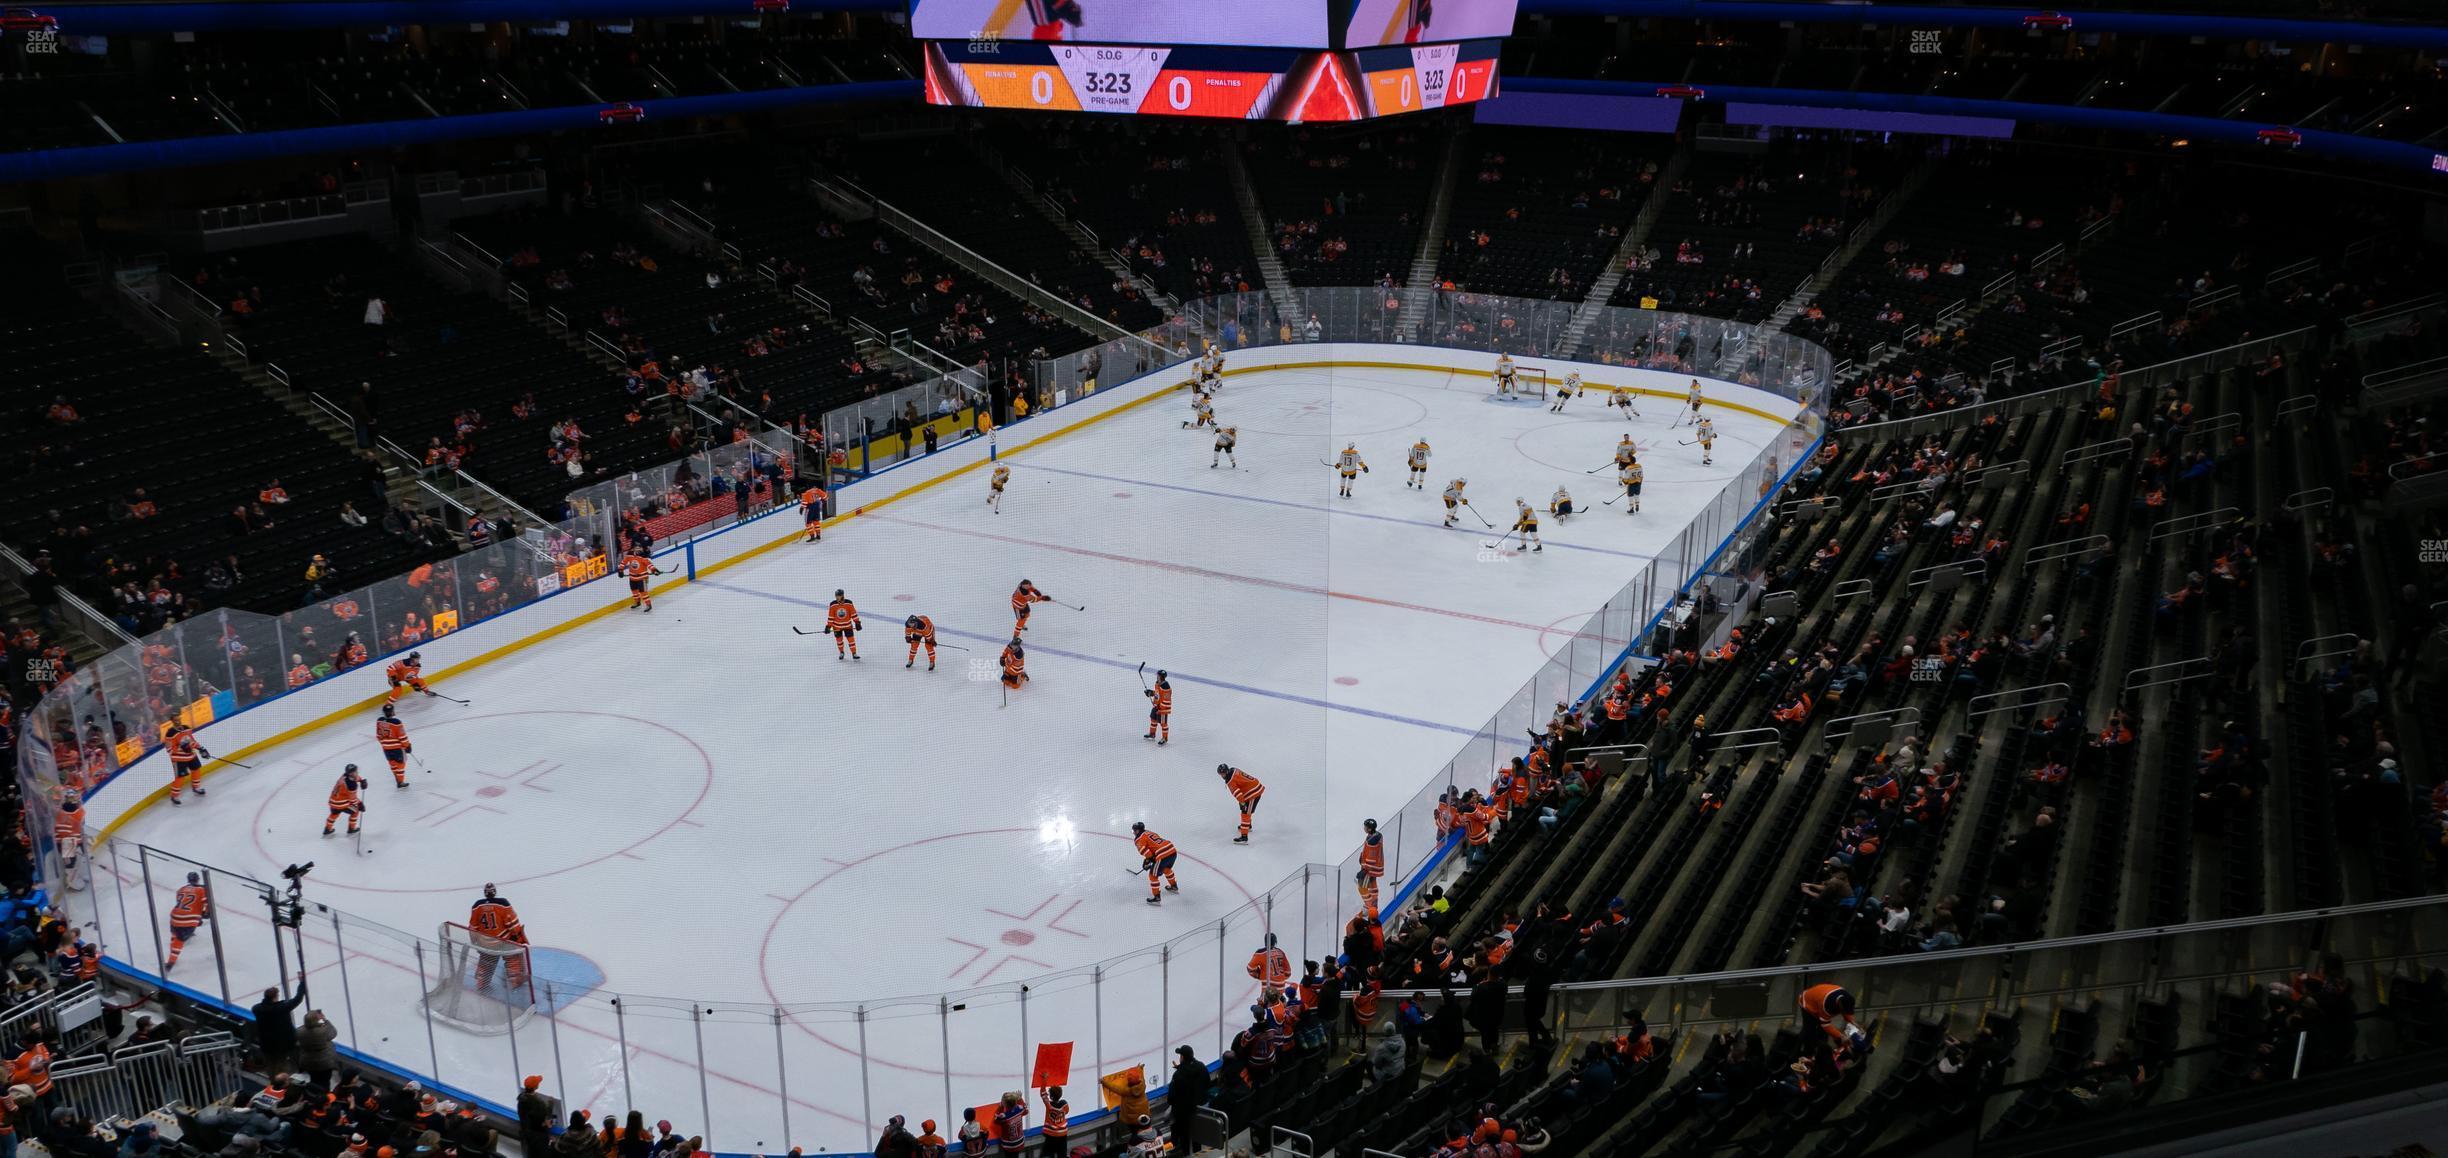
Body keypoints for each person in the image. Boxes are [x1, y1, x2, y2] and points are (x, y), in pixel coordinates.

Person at [468, 884, 530, 991]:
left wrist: (475, 941)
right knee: (514, 957)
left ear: (485, 893)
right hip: (502, 941)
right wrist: (517, 937)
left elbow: (473, 927)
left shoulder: (476, 906)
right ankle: (515, 980)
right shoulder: (503, 904)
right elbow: (512, 924)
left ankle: (482, 984)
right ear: (495, 892)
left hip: (485, 943)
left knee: (486, 961)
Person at [250, 981, 308, 1076]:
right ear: (275, 997)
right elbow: (298, 999)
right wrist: (302, 983)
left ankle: (274, 1081)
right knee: (282, 1064)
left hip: (266, 1043)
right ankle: (281, 1084)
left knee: (271, 1064)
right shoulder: (281, 1008)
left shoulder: (257, 1009)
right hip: (283, 1044)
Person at [164, 872, 210, 972]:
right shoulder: (202, 890)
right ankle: (170, 963)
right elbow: (206, 902)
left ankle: (187, 934)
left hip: (174, 917)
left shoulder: (181, 889)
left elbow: (185, 904)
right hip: (188, 921)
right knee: (179, 941)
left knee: (175, 936)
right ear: (198, 879)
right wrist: (206, 913)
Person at [1132, 823, 1179, 905]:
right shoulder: (1149, 832)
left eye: (1134, 830)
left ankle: (1157, 897)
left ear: (1138, 830)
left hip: (1163, 855)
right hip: (1172, 850)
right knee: (1166, 869)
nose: (1133, 832)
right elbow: (1154, 846)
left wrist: (1149, 859)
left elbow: (1145, 851)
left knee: (1153, 875)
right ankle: (1174, 886)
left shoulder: (1138, 839)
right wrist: (1149, 860)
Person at [165, 721, 209, 805]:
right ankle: (174, 796)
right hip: (179, 758)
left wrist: (201, 748)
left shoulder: (186, 728)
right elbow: (169, 749)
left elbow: (192, 741)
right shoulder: (170, 733)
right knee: (180, 777)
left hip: (191, 755)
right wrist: (181, 748)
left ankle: (196, 788)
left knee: (196, 770)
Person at [1218, 763, 1263, 842]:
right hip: (1254, 787)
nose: (1221, 776)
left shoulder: (1230, 781)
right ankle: (1247, 826)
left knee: (1245, 813)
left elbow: (1237, 794)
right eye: (1220, 774)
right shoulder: (1234, 770)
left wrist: (1242, 803)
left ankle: (1244, 837)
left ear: (1226, 772)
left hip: (1253, 793)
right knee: (1247, 811)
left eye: (1222, 774)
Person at [515, 1077, 555, 1158]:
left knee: (531, 1151)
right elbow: (546, 1116)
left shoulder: (522, 1099)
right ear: (535, 1087)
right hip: (538, 1135)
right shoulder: (538, 1104)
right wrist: (550, 1104)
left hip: (526, 1132)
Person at [376, 704, 413, 789]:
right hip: (397, 749)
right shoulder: (397, 722)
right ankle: (400, 782)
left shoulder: (379, 720)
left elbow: (378, 735)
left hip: (386, 749)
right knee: (401, 765)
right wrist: (407, 746)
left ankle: (397, 779)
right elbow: (402, 737)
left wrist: (385, 744)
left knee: (392, 763)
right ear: (392, 712)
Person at [323, 766, 365, 839]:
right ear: (351, 773)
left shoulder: (344, 775)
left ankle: (327, 829)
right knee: (356, 811)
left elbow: (355, 778)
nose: (357, 772)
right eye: (356, 771)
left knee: (334, 814)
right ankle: (351, 829)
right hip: (342, 804)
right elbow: (352, 799)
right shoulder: (352, 785)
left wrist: (361, 780)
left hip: (332, 801)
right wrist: (360, 804)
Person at [826, 590, 862, 660]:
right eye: (836, 596)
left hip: (847, 626)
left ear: (842, 595)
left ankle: (854, 653)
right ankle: (841, 652)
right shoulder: (833, 604)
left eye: (838, 596)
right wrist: (828, 626)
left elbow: (853, 614)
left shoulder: (849, 603)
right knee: (839, 641)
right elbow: (831, 617)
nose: (837, 597)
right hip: (836, 627)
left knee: (851, 640)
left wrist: (857, 623)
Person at [1035, 1087, 1068, 1158]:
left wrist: (1044, 1080)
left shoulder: (1049, 1105)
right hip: (1063, 1133)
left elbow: (1043, 1094)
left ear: (1051, 1096)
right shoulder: (1064, 1104)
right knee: (1062, 1153)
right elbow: (1067, 1111)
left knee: (1048, 1152)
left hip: (1051, 1134)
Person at [1145, 672, 1175, 745]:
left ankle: (1165, 738)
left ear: (1161, 677)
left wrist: (1161, 707)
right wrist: (1151, 693)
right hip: (1156, 706)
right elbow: (1157, 694)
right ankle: (1152, 734)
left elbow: (1166, 700)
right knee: (1153, 719)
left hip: (1162, 709)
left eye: (1158, 675)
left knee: (1163, 723)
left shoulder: (1165, 687)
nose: (1157, 677)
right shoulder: (1158, 683)